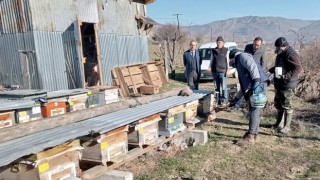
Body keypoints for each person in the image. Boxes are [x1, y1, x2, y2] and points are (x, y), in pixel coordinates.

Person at [229, 49, 268, 146]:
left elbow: (253, 66)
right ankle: (253, 134)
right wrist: (236, 99)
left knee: (254, 109)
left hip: (258, 84)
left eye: (231, 61)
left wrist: (257, 81)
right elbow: (244, 86)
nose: (232, 65)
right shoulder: (240, 63)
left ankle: (250, 137)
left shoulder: (242, 56)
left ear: (233, 57)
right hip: (256, 83)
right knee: (255, 110)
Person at [268, 37, 303, 134]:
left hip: (288, 84)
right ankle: (278, 123)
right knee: (279, 105)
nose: (276, 49)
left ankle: (287, 127)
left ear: (283, 46)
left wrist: (285, 76)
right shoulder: (281, 53)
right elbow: (281, 65)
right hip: (279, 84)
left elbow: (298, 68)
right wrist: (272, 70)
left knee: (287, 105)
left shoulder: (291, 54)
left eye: (277, 47)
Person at [232, 37, 267, 111]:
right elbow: (244, 60)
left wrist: (260, 75)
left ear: (260, 45)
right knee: (244, 87)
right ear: (253, 42)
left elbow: (263, 62)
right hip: (247, 72)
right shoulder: (247, 47)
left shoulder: (262, 50)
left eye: (258, 45)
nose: (256, 46)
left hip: (257, 73)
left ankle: (258, 109)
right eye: (255, 44)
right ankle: (238, 104)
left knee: (257, 93)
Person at [208, 36, 229, 106]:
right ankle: (217, 100)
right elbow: (211, 59)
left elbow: (227, 60)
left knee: (224, 87)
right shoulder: (213, 50)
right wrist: (209, 67)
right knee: (216, 87)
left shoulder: (226, 50)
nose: (218, 43)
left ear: (223, 43)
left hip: (223, 71)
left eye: (219, 42)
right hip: (215, 71)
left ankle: (224, 100)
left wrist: (228, 69)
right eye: (217, 42)